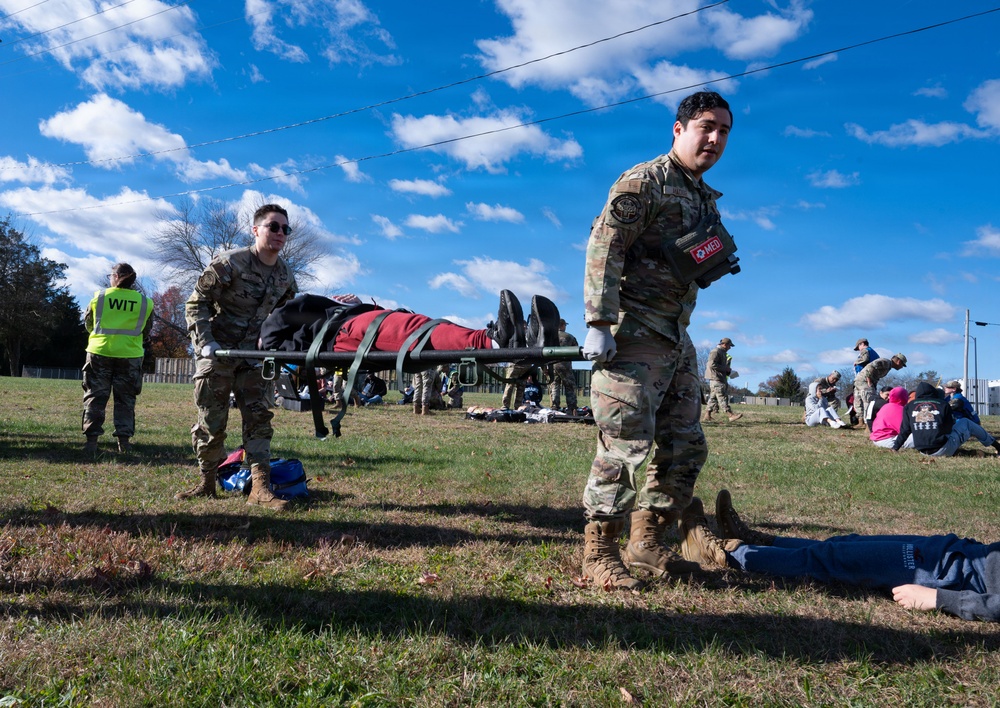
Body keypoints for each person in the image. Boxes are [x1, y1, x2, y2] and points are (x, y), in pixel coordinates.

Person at [580, 91, 738, 591]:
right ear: (678, 128)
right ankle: (599, 553)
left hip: (675, 334)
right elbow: (605, 246)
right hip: (633, 331)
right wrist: (599, 323)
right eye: (706, 126)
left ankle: (647, 543)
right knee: (625, 443)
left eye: (724, 131)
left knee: (685, 445)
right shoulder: (643, 182)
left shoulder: (701, 196)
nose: (714, 138)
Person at [678, 489, 1000, 623]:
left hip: (952, 575)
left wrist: (941, 598)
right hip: (959, 551)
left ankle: (723, 554)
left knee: (833, 559)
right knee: (847, 543)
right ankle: (757, 540)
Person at [175, 203, 299, 510]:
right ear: (256, 230)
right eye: (274, 226)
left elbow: (287, 316)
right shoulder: (230, 263)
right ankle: (206, 483)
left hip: (254, 358)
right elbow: (196, 303)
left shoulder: (285, 275)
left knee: (259, 420)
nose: (280, 233)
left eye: (285, 229)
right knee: (211, 422)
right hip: (219, 353)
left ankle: (260, 488)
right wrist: (205, 342)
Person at [81, 262, 154, 455]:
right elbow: (146, 331)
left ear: (115, 276)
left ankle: (91, 443)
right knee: (125, 400)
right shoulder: (145, 302)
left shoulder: (100, 297)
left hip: (100, 353)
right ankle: (124, 442)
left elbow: (88, 324)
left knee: (95, 398)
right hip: (130, 355)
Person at [892, 382, 1000, 457]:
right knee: (966, 422)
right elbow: (948, 428)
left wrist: (895, 448)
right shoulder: (943, 404)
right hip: (943, 448)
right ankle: (997, 446)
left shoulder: (909, 406)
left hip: (922, 451)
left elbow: (905, 430)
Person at [853, 353, 907, 429]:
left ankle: (861, 421)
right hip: (865, 381)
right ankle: (867, 424)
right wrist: (868, 378)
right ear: (898, 361)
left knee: (858, 401)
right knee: (868, 401)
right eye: (902, 365)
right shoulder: (886, 362)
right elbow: (872, 365)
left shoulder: (887, 365)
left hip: (860, 380)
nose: (901, 367)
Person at [703, 337, 742, 423]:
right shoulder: (716, 352)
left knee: (713, 398)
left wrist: (728, 371)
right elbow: (712, 365)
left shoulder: (722, 352)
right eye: (729, 345)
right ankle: (730, 415)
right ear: (724, 344)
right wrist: (725, 369)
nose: (730, 348)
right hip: (716, 378)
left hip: (718, 377)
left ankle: (707, 415)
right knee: (722, 397)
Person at [547, 319, 579, 411]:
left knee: (554, 384)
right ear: (563, 325)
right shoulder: (569, 337)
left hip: (551, 364)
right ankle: (572, 406)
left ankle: (554, 406)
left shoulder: (549, 337)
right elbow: (576, 349)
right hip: (564, 364)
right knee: (569, 385)